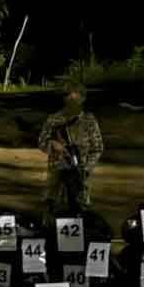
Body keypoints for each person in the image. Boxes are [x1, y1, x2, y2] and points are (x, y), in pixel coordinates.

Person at [38, 80, 104, 214]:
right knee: (52, 212)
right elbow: (42, 143)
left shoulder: (89, 121)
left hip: (79, 176)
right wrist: (53, 145)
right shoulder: (54, 119)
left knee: (81, 212)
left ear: (82, 99)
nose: (71, 102)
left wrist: (85, 169)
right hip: (57, 175)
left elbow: (97, 148)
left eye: (76, 98)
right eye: (68, 97)